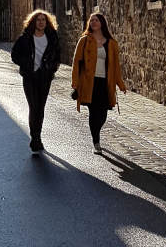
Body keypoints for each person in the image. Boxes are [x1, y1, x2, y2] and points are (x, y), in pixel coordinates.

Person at [71, 13, 126, 155]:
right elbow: (76, 62)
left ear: (102, 23)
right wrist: (75, 84)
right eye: (92, 20)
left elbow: (116, 67)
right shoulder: (84, 41)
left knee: (103, 115)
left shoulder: (111, 43)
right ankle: (96, 141)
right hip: (89, 82)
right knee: (93, 112)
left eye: (96, 20)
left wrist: (120, 84)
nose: (94, 22)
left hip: (105, 82)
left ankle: (96, 133)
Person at [11, 9, 60, 154]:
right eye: (38, 20)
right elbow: (14, 55)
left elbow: (57, 56)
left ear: (47, 22)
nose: (41, 22)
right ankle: (35, 138)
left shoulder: (52, 37)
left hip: (44, 77)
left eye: (43, 20)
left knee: (41, 108)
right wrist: (27, 64)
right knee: (34, 107)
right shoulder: (25, 38)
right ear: (33, 22)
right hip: (30, 77)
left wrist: (51, 69)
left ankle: (37, 136)